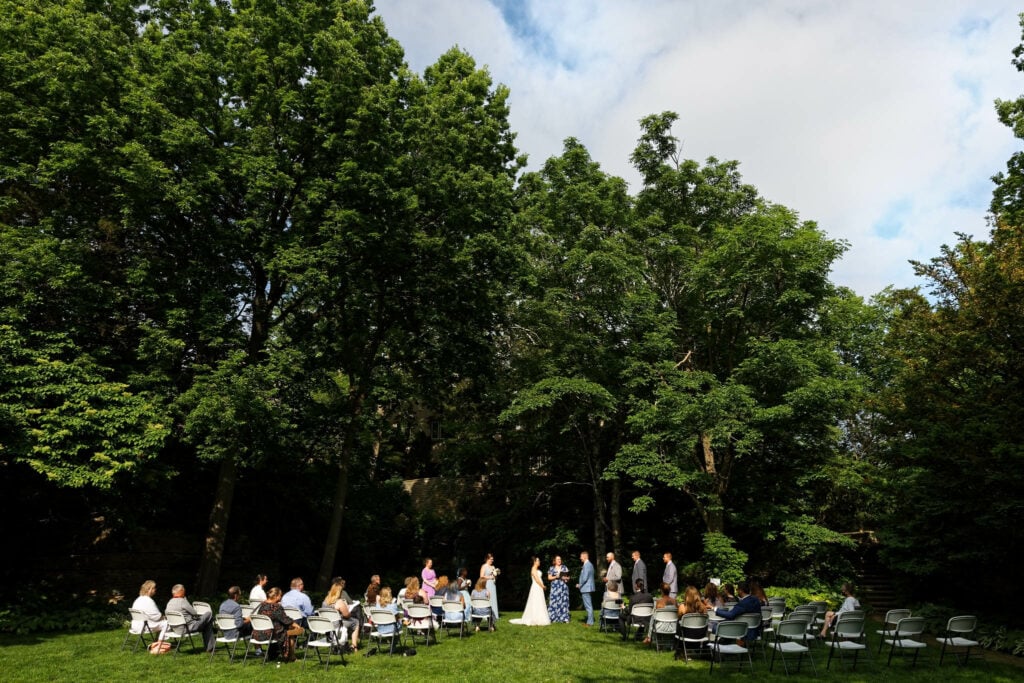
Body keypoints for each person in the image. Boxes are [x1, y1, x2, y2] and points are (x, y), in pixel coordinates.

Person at [253, 587, 303, 662]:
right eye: (280, 595)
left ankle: (274, 653)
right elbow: (285, 619)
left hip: (258, 634)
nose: (281, 597)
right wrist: (297, 625)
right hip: (271, 634)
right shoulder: (276, 607)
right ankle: (291, 657)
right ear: (276, 596)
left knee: (284, 628)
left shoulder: (262, 605)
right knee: (293, 631)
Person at [166, 583, 214, 650]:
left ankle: (210, 648)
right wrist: (185, 600)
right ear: (181, 591)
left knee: (207, 625)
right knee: (209, 614)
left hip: (176, 629)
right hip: (188, 628)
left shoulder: (169, 602)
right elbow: (194, 613)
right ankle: (210, 647)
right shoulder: (183, 601)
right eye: (184, 590)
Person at [510, 556, 551, 626]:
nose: (539, 562)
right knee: (535, 601)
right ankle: (534, 618)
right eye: (538, 561)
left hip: (539, 587)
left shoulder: (537, 569)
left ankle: (540, 617)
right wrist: (543, 586)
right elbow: (537, 580)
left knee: (539, 601)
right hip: (536, 587)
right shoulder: (533, 569)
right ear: (534, 562)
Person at [324, 577, 361, 652]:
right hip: (338, 625)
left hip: (328, 625)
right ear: (339, 592)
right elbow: (347, 615)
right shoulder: (339, 602)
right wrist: (346, 608)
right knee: (356, 622)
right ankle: (354, 646)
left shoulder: (325, 601)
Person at [546, 555, 570, 623]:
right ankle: (553, 617)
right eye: (558, 559)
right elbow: (549, 578)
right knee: (554, 602)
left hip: (563, 587)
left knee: (564, 602)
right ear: (555, 561)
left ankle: (564, 618)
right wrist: (556, 576)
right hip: (555, 588)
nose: (559, 560)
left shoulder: (564, 567)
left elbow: (568, 577)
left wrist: (566, 578)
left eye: (560, 559)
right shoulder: (551, 568)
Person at [577, 550, 595, 627]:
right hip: (587, 588)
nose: (580, 558)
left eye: (581, 556)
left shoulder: (587, 565)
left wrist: (579, 585)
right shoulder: (588, 564)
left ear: (584, 556)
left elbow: (585, 577)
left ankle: (590, 622)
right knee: (588, 605)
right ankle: (589, 621)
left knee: (588, 605)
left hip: (586, 588)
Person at [480, 553, 500, 621]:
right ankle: (486, 615)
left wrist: (495, 575)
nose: (492, 560)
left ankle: (494, 615)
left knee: (493, 598)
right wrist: (490, 577)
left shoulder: (493, 567)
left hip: (493, 584)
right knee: (487, 598)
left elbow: (495, 577)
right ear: (487, 559)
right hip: (486, 584)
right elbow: (481, 576)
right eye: (491, 559)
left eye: (493, 559)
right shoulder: (484, 566)